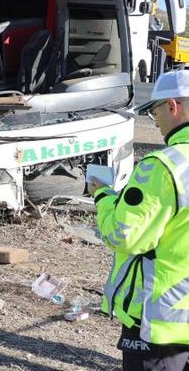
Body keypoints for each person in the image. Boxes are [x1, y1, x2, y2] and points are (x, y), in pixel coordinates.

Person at [91, 69, 189, 370]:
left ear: (172, 106)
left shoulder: (163, 166)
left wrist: (104, 197)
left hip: (161, 326)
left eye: (155, 111)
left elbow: (125, 235)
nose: (155, 121)